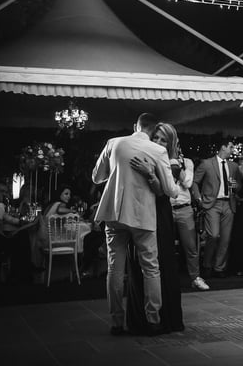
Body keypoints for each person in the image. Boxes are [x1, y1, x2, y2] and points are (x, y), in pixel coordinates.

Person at [92, 113, 177, 336]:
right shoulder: (157, 151)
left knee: (115, 269)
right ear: (153, 130)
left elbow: (96, 178)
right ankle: (153, 320)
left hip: (114, 214)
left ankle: (116, 323)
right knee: (151, 268)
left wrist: (118, 170)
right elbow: (171, 190)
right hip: (142, 217)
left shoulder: (113, 143)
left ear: (135, 126)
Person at [125, 122, 187, 334]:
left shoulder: (172, 163)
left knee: (160, 264)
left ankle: (163, 318)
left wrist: (149, 173)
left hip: (159, 216)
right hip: (140, 212)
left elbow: (162, 192)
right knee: (139, 264)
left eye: (163, 140)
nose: (159, 142)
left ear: (170, 144)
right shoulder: (146, 154)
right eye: (156, 138)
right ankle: (140, 319)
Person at [159, 127, 209, 292]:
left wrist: (177, 168)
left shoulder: (187, 162)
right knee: (164, 246)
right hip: (165, 208)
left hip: (184, 209)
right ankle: (164, 279)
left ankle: (195, 278)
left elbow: (187, 183)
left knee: (190, 247)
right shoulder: (160, 160)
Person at [193, 137, 243, 278]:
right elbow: (195, 182)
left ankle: (219, 268)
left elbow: (238, 186)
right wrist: (199, 198)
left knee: (225, 239)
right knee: (213, 235)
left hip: (229, 204)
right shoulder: (207, 163)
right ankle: (207, 265)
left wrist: (236, 186)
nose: (232, 150)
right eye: (231, 147)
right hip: (212, 204)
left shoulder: (233, 166)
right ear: (223, 147)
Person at [32, 185, 78, 270]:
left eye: (69, 194)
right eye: (66, 194)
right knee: (76, 239)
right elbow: (59, 210)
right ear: (59, 194)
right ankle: (75, 268)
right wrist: (73, 211)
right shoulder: (59, 204)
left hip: (42, 237)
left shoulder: (51, 204)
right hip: (49, 239)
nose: (69, 196)